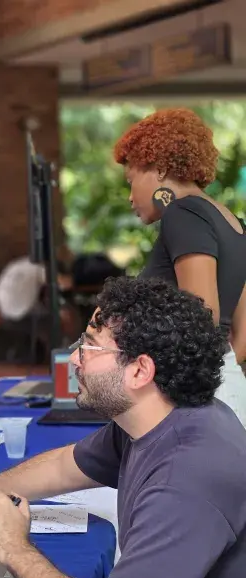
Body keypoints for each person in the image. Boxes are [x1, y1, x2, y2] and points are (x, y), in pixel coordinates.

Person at [0, 277, 246, 578]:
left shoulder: (184, 481)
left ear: (139, 371)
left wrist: (12, 547)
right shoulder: (158, 419)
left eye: (89, 347)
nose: (75, 359)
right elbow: (63, 467)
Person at [114, 107, 246, 425]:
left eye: (131, 181)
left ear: (158, 169)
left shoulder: (183, 213)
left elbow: (200, 313)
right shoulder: (234, 223)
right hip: (228, 390)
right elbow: (242, 334)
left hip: (194, 398)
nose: (131, 197)